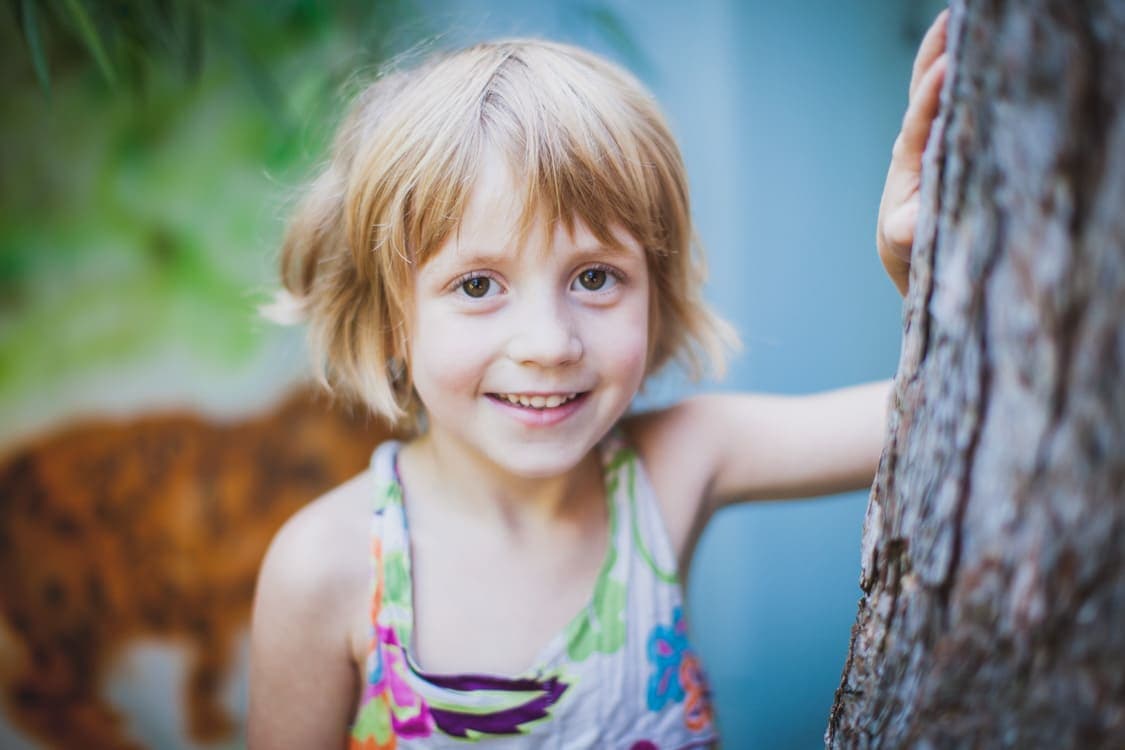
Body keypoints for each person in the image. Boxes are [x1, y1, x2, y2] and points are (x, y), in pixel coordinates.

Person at [249, 10, 949, 748]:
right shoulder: (323, 570)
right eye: (479, 285)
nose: (549, 343)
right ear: (395, 317)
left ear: (656, 288)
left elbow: (942, 412)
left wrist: (921, 272)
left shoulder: (674, 465)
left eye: (593, 276)